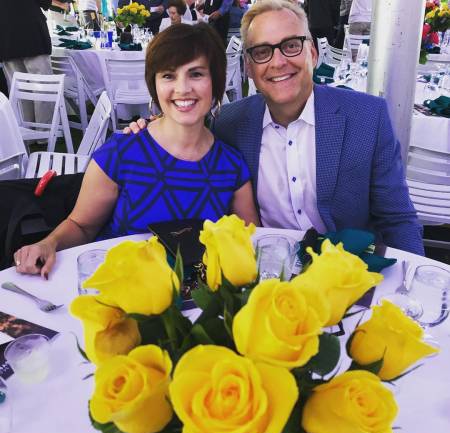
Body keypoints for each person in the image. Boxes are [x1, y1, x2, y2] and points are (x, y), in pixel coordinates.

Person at [127, 0, 424, 256]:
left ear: (313, 54)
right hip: (265, 273)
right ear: (248, 66)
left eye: (291, 46)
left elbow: (397, 219)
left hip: (347, 274)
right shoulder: (228, 123)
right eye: (262, 52)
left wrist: (411, 287)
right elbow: (183, 133)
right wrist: (144, 128)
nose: (278, 62)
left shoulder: (366, 117)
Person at [14, 23, 259, 278]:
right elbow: (82, 225)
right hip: (125, 287)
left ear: (215, 82)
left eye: (196, 74)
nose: (183, 88)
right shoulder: (121, 153)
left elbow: (250, 241)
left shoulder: (231, 166)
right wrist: (49, 243)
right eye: (168, 76)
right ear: (154, 85)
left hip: (200, 297)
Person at [0, 0, 60, 124]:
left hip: (6, 38)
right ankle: (44, 130)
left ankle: (27, 130)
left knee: (19, 91)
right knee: (42, 88)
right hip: (32, 35)